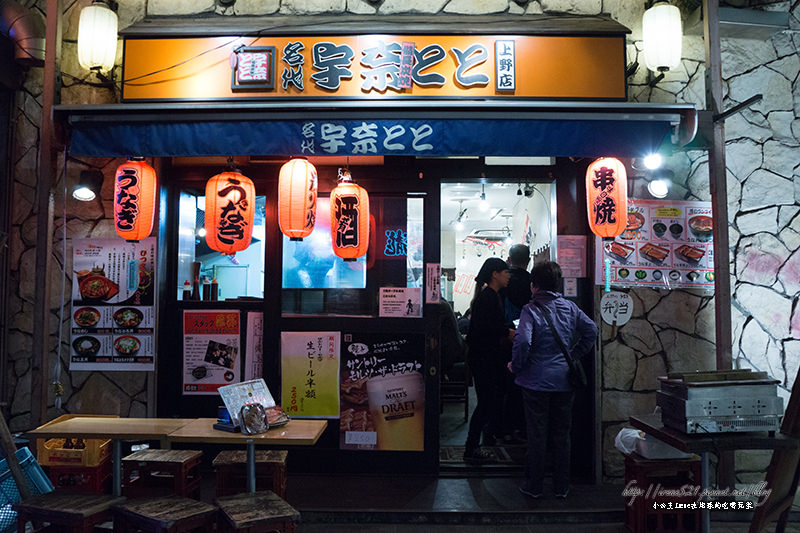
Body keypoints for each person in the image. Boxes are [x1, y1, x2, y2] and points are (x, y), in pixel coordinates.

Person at [511, 260, 597, 498]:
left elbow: (523, 342)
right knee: (561, 434)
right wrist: (574, 354)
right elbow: (592, 331)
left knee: (537, 434)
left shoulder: (530, 310)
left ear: (533, 285)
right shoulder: (569, 307)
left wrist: (516, 366)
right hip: (564, 381)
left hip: (535, 382)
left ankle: (534, 486)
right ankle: (562, 487)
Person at [464, 257, 515, 463]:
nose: (508, 276)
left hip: (484, 358)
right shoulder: (488, 297)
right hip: (484, 359)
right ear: (495, 274)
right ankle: (472, 447)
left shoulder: (490, 295)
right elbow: (485, 328)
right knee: (485, 403)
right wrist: (506, 331)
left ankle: (476, 444)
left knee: (487, 402)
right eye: (505, 272)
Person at [498, 244, 531, 444]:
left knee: (502, 385)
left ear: (509, 260)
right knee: (522, 386)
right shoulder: (532, 283)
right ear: (527, 261)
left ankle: (503, 428)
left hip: (503, 341)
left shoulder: (502, 282)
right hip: (527, 339)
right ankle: (520, 428)